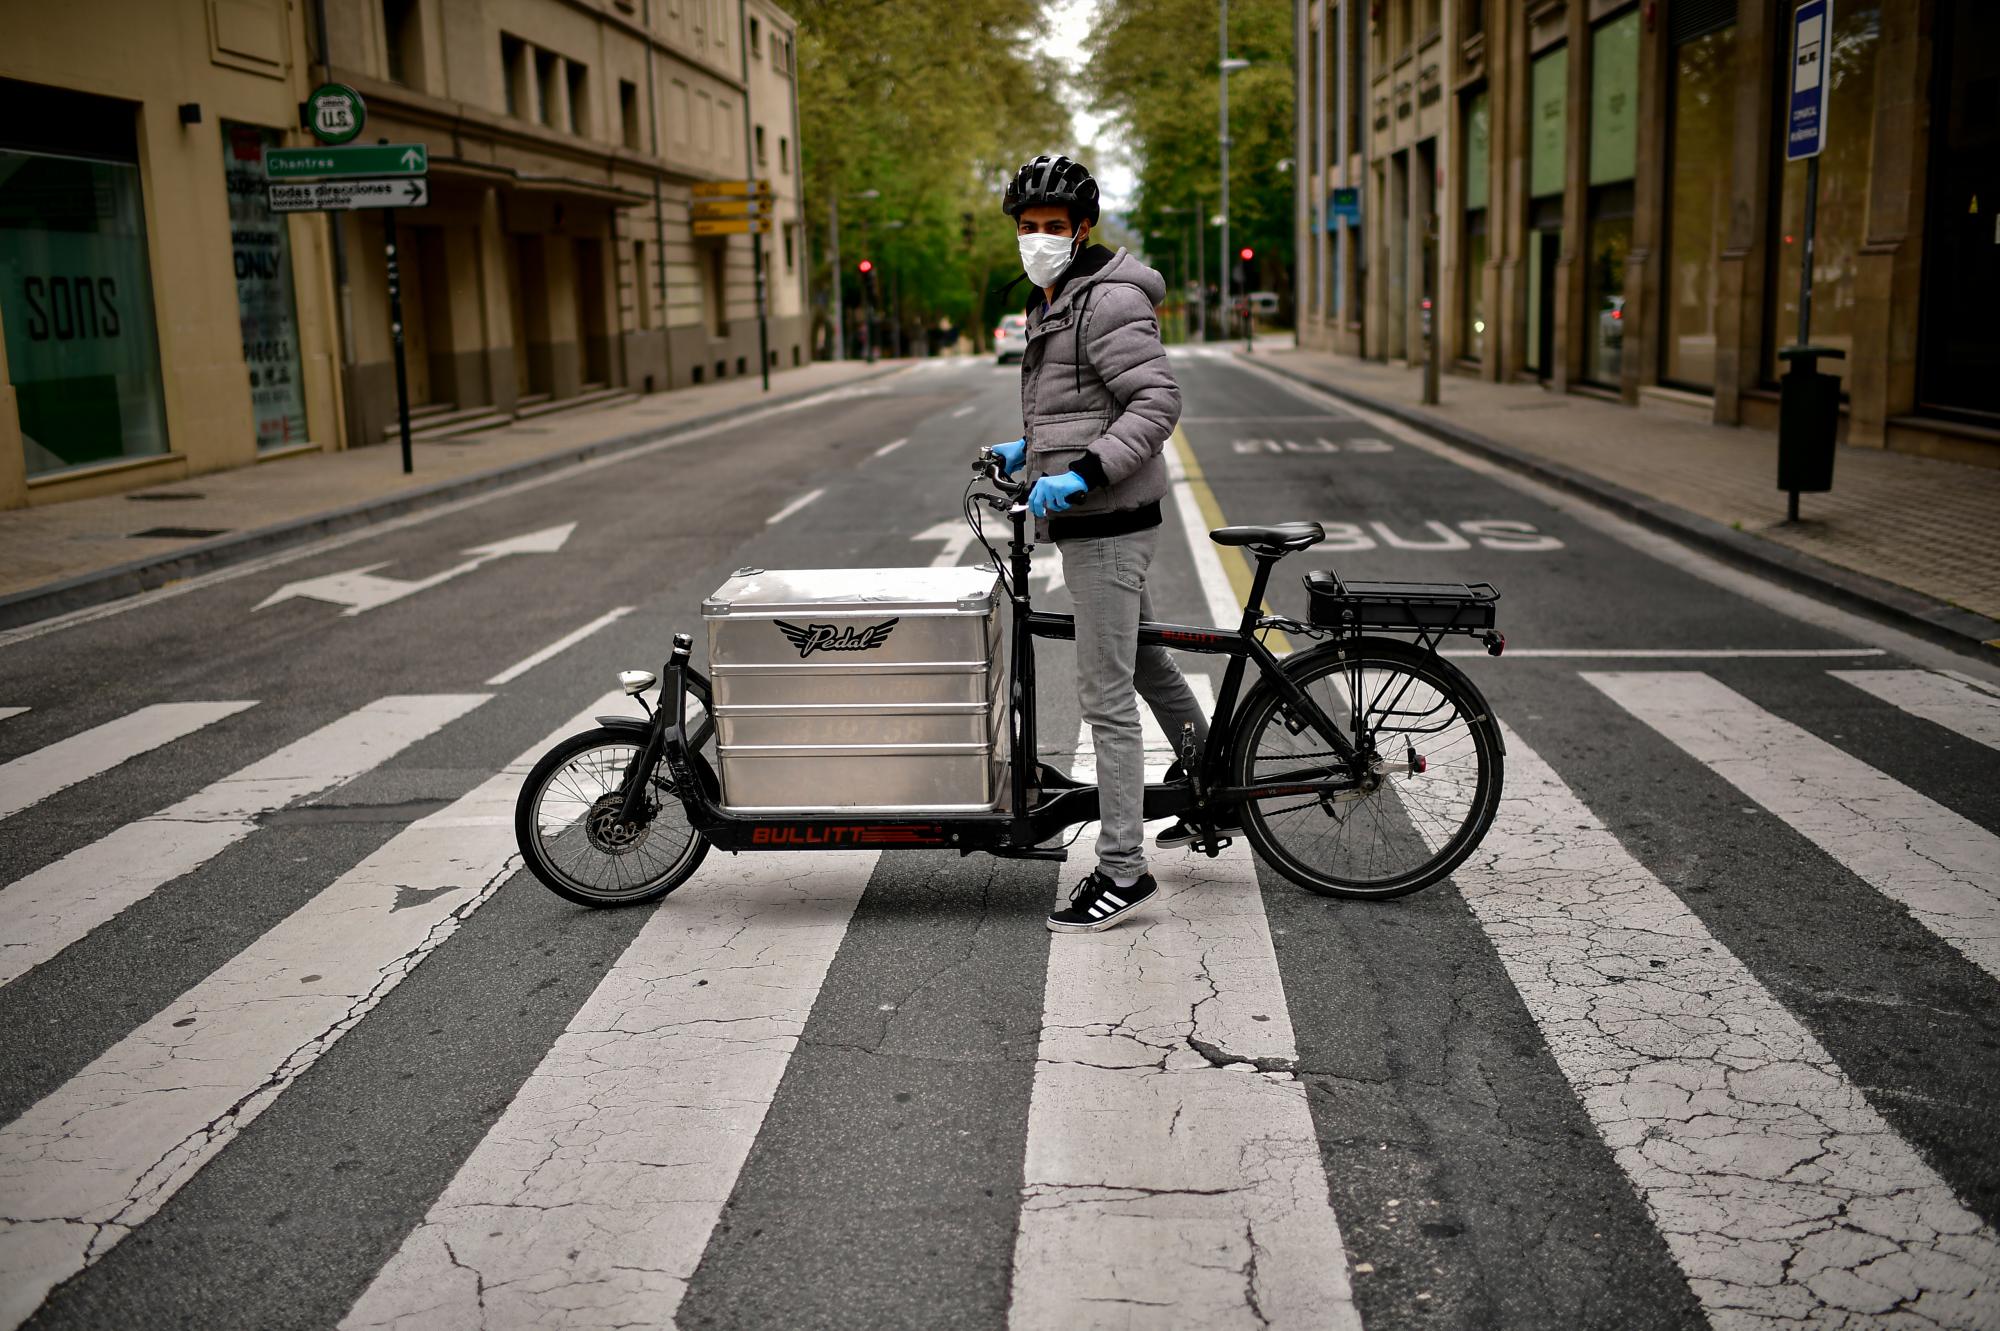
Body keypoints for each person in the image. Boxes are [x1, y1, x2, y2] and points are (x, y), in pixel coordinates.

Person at [987, 153, 1224, 935]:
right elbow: (1079, 401)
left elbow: (1155, 401)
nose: (1039, 239)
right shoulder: (1055, 297)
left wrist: (1083, 472)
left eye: (1053, 228)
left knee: (1106, 700)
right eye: (1028, 228)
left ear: (1083, 228)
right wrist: (1030, 451)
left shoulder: (1106, 299)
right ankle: (1212, 783)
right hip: (1096, 518)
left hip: (1109, 524)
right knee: (1150, 664)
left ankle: (1123, 868)